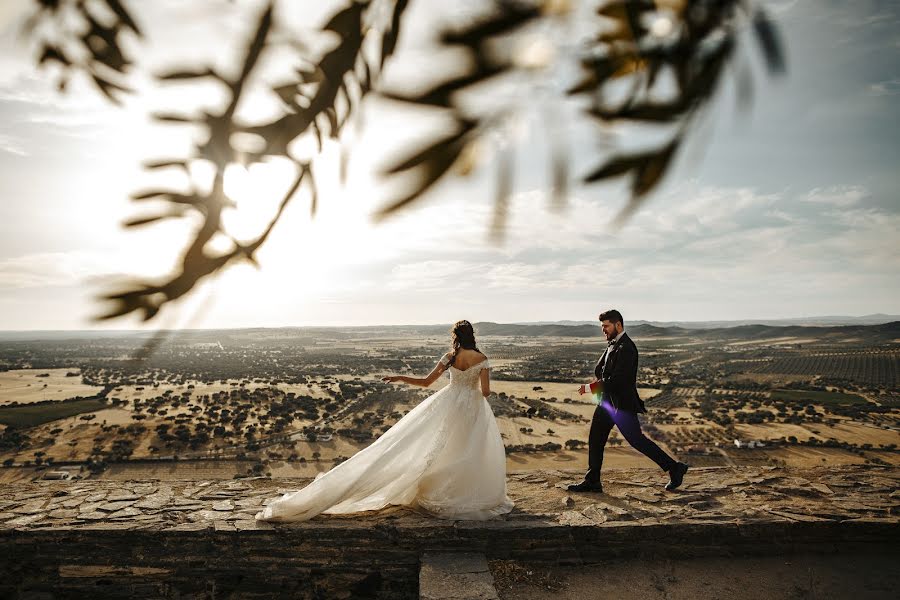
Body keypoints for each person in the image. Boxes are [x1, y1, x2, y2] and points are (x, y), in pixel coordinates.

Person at [255, 320, 513, 522]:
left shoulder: (449, 357)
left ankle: (446, 492)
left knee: (441, 447)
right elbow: (487, 392)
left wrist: (400, 378)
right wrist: (472, 391)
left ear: (455, 336)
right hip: (471, 406)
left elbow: (425, 382)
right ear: (472, 336)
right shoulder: (482, 359)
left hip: (448, 403)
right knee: (468, 451)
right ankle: (463, 494)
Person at [568, 309, 688, 493]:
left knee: (636, 440)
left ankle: (674, 468)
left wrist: (590, 388)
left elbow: (618, 381)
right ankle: (592, 481)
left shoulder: (627, 348)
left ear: (618, 325)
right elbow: (604, 372)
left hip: (621, 405)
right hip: (606, 403)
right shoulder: (613, 345)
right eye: (602, 327)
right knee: (596, 439)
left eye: (606, 326)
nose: (604, 330)